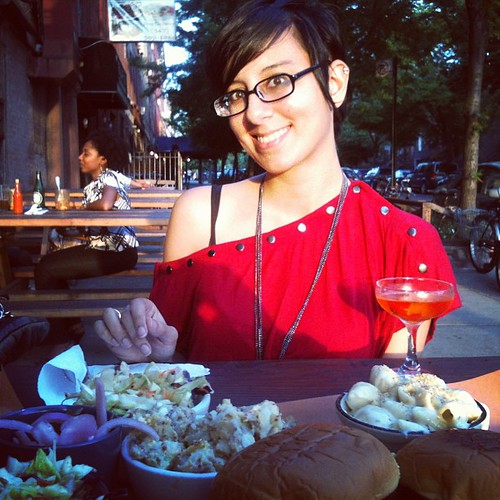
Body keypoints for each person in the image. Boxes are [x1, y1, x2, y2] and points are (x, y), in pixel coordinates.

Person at [95, 0, 461, 363]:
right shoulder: (200, 215)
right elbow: (179, 378)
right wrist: (155, 356)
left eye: (275, 81)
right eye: (237, 94)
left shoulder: (403, 244)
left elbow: (387, 406)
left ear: (334, 83)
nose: (254, 113)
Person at [35, 130, 139, 342]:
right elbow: (94, 227)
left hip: (119, 250)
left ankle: (59, 335)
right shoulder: (92, 186)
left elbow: (106, 204)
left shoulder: (109, 176)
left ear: (102, 159)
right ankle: (72, 327)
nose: (80, 158)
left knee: (45, 268)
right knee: (50, 265)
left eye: (86, 153)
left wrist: (81, 207)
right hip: (104, 248)